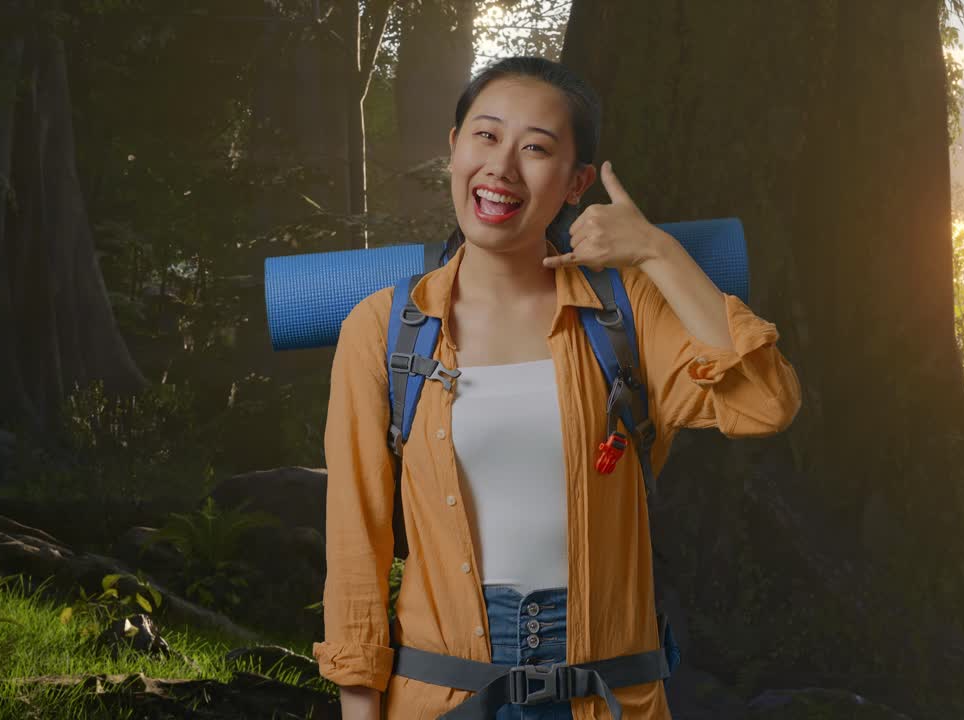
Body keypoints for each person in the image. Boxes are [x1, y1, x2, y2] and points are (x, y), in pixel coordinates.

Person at [313, 55, 802, 720]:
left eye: (536, 148)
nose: (502, 167)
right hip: (443, 694)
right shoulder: (384, 328)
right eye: (486, 136)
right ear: (454, 147)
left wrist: (656, 251)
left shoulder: (625, 312)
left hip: (610, 695)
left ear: (576, 184)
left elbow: (767, 404)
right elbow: (356, 542)